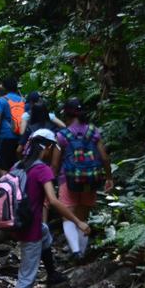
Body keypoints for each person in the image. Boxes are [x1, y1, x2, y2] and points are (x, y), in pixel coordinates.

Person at [0, 129, 89, 288]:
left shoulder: (17, 165)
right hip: (29, 231)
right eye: (52, 148)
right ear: (47, 147)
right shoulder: (43, 170)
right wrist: (77, 221)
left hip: (18, 224)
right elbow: (54, 201)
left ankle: (52, 274)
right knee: (26, 279)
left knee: (45, 231)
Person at [53, 98, 113, 259]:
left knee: (68, 217)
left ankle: (76, 251)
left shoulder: (62, 135)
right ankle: (82, 253)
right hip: (91, 180)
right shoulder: (93, 132)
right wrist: (109, 177)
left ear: (66, 113)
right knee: (82, 217)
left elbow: (55, 163)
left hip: (69, 179)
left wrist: (52, 181)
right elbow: (105, 158)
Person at [0, 77, 26, 175]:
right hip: (21, 137)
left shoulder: (1, 101)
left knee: (3, 165)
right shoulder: (23, 100)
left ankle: (7, 188)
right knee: (17, 165)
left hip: (6, 136)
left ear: (5, 88)